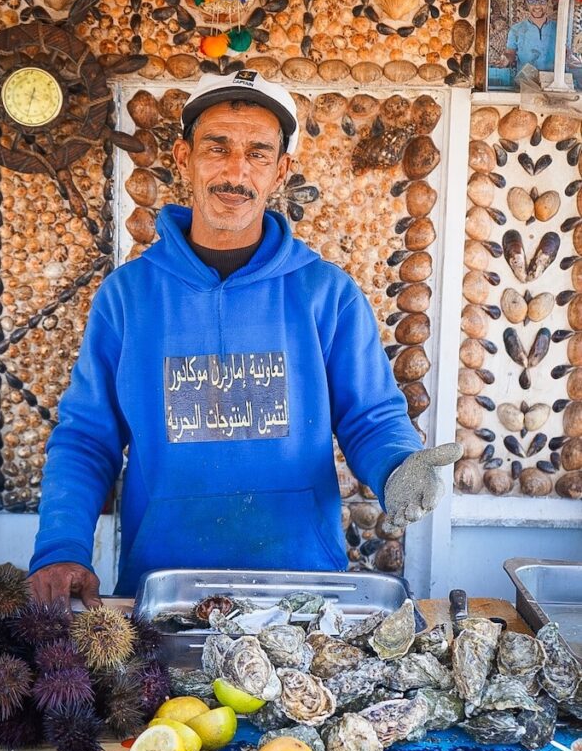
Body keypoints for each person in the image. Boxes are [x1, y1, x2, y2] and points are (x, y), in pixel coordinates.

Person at [28, 70, 462, 608]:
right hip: (164, 585)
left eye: (258, 153)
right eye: (218, 147)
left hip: (302, 588)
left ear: (280, 171)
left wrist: (398, 465)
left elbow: (369, 417)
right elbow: (86, 439)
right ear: (184, 157)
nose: (237, 171)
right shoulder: (128, 296)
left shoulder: (327, 293)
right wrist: (61, 547)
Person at [493, 0, 557, 79]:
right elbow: (510, 53)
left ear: (548, 3)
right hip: (526, 82)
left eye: (542, 1)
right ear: (527, 4)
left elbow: (566, 54)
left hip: (552, 81)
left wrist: (572, 59)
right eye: (532, 1)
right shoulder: (516, 29)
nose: (537, 6)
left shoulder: (558, 28)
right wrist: (505, 59)